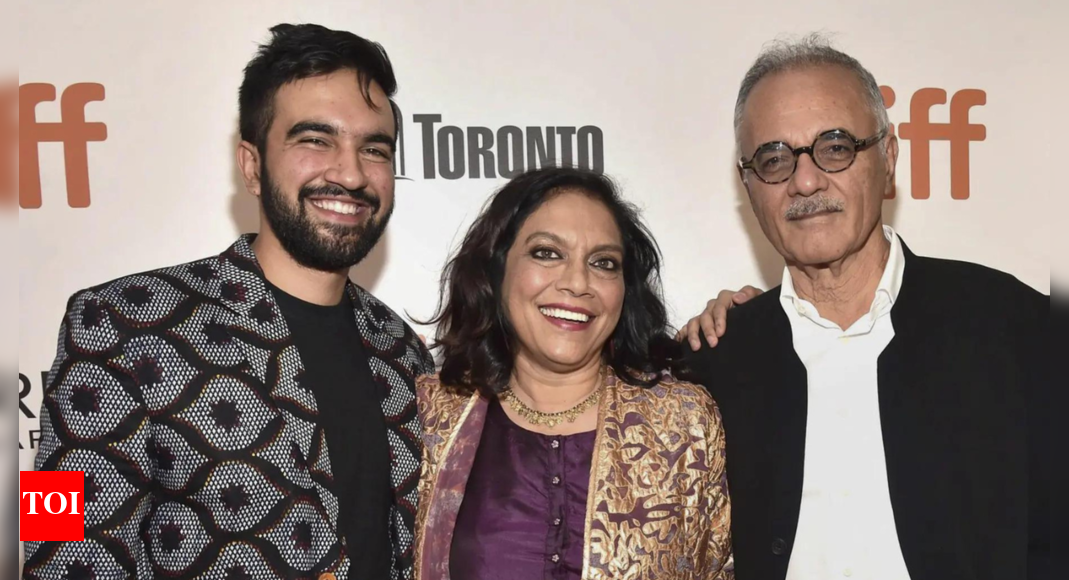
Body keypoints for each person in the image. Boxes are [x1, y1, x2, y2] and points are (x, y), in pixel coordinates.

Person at [24, 24, 432, 580]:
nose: (350, 172)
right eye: (316, 140)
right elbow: (56, 545)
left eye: (374, 149)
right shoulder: (116, 322)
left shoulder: (404, 352)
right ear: (252, 165)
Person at [681, 35, 1050, 580]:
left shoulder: (1017, 328)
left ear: (889, 157)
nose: (806, 181)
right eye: (774, 159)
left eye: (835, 147)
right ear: (749, 185)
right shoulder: (713, 366)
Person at [413, 167, 734, 580]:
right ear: (497, 269)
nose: (578, 283)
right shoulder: (430, 415)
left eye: (603, 263)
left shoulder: (684, 423)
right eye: (547, 253)